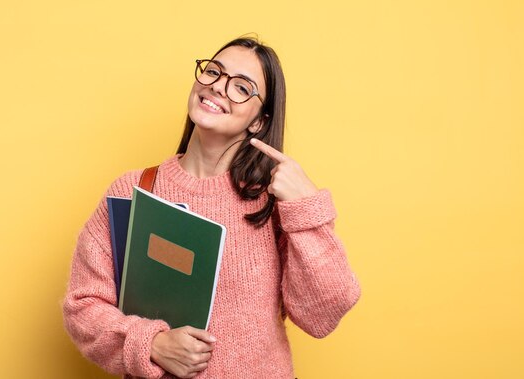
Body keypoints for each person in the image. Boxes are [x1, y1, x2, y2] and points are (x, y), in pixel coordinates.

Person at [63, 37, 361, 379]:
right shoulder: (133, 190)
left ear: (259, 122)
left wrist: (307, 206)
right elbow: (82, 306)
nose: (219, 87)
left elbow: (324, 314)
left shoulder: (274, 202)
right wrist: (151, 345)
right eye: (214, 72)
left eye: (241, 87)